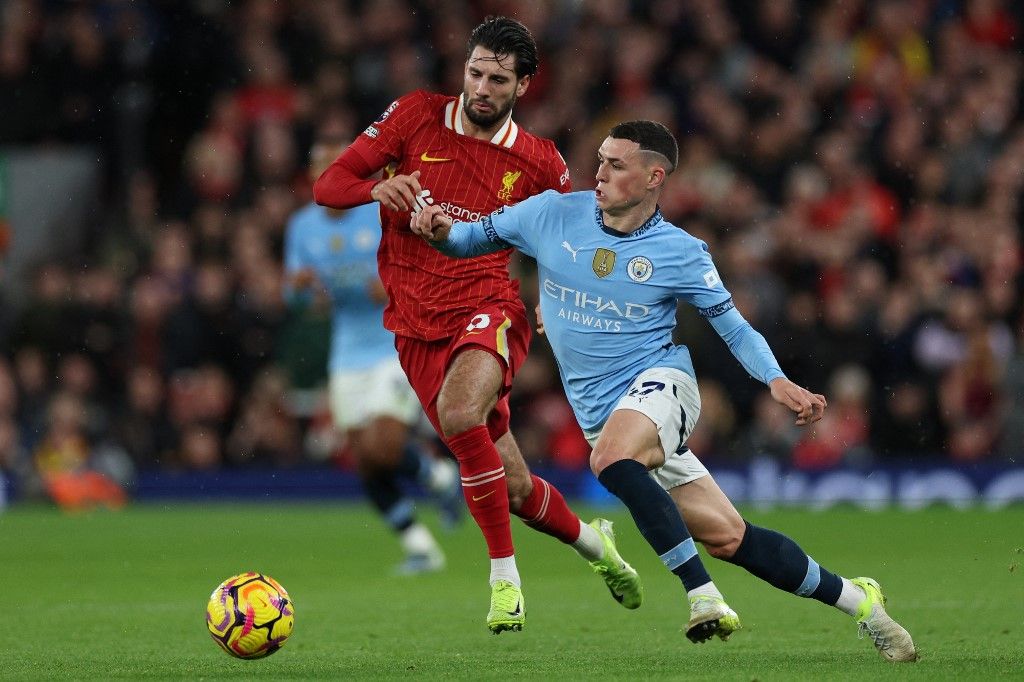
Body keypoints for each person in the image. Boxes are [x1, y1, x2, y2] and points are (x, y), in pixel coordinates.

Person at [412, 120, 918, 662]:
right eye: (600, 160)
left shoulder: (681, 252)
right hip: (603, 413)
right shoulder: (549, 214)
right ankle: (862, 603)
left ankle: (703, 598)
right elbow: (467, 239)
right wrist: (438, 229)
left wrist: (777, 380)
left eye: (615, 164)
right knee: (730, 538)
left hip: (662, 386)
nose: (599, 173)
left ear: (654, 177)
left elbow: (735, 328)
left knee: (609, 459)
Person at [313, 16, 641, 633]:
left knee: (462, 416)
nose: (481, 88)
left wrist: (560, 294)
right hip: (415, 326)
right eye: (474, 72)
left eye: (497, 78)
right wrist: (375, 192)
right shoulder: (414, 116)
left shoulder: (540, 162)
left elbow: (576, 240)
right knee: (513, 487)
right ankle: (596, 547)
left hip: (490, 306)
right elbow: (328, 184)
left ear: (523, 86)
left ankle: (504, 582)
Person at [285, 138, 463, 576]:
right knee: (364, 458)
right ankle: (422, 540)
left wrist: (393, 286)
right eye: (321, 167)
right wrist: (304, 292)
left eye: (337, 166)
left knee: (384, 443)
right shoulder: (302, 227)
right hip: (346, 352)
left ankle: (439, 478)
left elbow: (423, 263)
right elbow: (294, 296)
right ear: (313, 178)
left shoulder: (379, 212)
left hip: (391, 343)